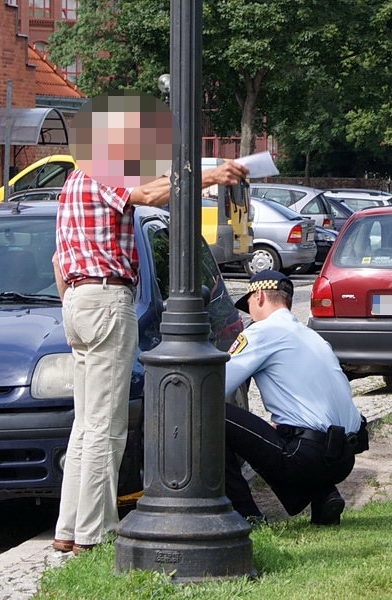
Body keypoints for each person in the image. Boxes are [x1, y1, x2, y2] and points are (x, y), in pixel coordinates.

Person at [51, 91, 248, 555]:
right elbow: (148, 193)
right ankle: (95, 534)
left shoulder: (71, 182)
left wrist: (76, 304)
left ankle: (67, 527)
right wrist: (212, 175)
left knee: (84, 425)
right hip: (105, 296)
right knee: (106, 426)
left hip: (77, 298)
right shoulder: (103, 172)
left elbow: (59, 260)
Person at [223, 270, 368, 525]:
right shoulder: (311, 336)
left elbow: (216, 386)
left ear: (258, 296)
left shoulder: (261, 331)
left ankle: (247, 516)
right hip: (343, 456)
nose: (248, 312)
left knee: (210, 415)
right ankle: (322, 494)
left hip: (306, 454)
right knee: (274, 435)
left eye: (247, 304)